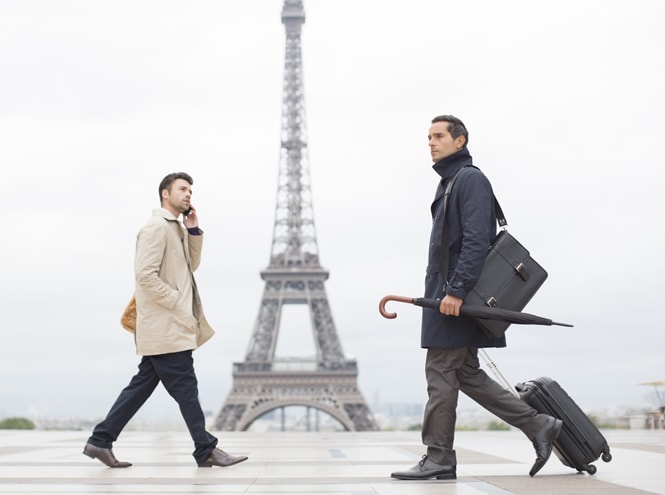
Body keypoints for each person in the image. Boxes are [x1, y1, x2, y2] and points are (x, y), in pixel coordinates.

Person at [390, 116, 561, 481]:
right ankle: (538, 425)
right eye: (428, 137)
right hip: (445, 294)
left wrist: (455, 291)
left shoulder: (469, 179)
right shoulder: (452, 182)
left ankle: (439, 457)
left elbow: (476, 240)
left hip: (452, 296)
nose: (431, 143)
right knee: (465, 373)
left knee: (440, 373)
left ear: (460, 140)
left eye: (438, 136)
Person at [83, 172, 248, 469]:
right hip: (167, 325)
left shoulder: (176, 229)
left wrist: (194, 231)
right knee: (186, 386)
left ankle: (100, 440)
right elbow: (144, 276)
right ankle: (206, 449)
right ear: (164, 193)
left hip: (170, 326)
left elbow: (190, 266)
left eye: (190, 190)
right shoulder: (155, 228)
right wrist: (176, 303)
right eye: (182, 189)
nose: (188, 195)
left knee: (143, 385)